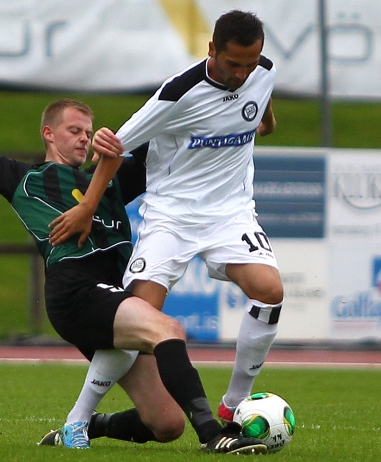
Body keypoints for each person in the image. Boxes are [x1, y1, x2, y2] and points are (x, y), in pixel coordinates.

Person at [0, 100, 267, 455]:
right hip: (75, 293)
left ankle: (87, 425)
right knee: (168, 330)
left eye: (88, 134)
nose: (84, 139)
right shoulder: (20, 176)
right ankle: (213, 435)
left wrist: (226, 115)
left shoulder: (107, 181)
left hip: (113, 295)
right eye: (74, 131)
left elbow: (161, 142)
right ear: (48, 133)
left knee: (167, 423)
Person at [49, 10, 284, 425]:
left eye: (251, 64)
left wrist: (264, 120)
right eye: (233, 65)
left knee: (269, 291)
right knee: (139, 313)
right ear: (212, 50)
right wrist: (87, 206)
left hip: (230, 213)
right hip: (171, 215)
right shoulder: (178, 93)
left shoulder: (262, 71)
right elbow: (115, 147)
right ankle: (78, 420)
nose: (243, 74)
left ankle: (234, 404)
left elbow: (260, 103)